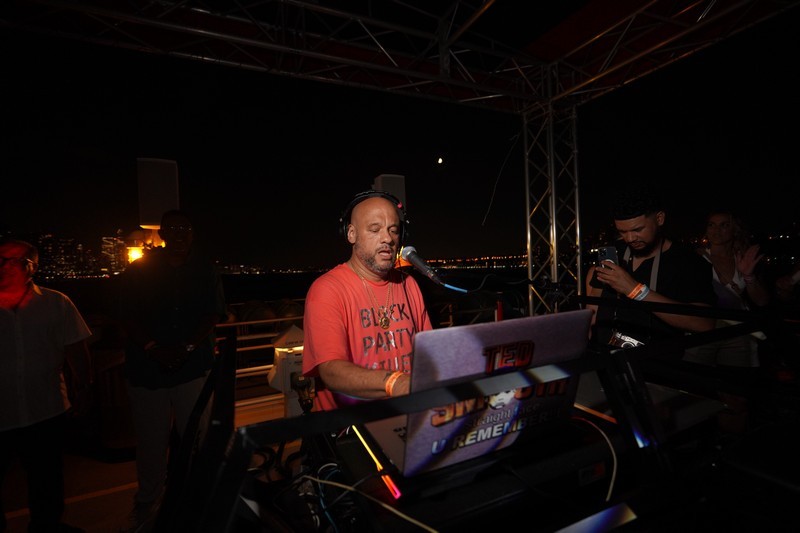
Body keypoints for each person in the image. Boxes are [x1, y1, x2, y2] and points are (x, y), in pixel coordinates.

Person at [117, 210, 227, 532]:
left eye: (185, 228)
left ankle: (198, 497)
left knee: (198, 437)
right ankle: (148, 503)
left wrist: (187, 347)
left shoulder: (205, 269)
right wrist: (153, 347)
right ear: (162, 234)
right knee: (151, 442)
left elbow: (213, 314)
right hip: (147, 370)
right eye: (173, 228)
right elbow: (126, 315)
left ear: (192, 234)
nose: (179, 234)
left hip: (192, 368)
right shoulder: (139, 270)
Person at [302, 190, 433, 411]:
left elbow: (429, 351)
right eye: (375, 229)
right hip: (348, 424)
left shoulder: (408, 284)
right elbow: (331, 371)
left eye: (394, 230)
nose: (387, 239)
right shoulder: (327, 290)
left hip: (407, 414)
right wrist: (395, 383)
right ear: (351, 234)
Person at [0, 239, 92, 533]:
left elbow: (76, 349)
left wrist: (83, 390)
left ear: (33, 267)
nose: (7, 267)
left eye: (16, 261)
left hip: (46, 407)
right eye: (2, 260)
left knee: (47, 479)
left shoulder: (56, 303)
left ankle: (46, 527)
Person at [585, 184, 717, 357]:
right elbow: (594, 299)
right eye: (622, 231)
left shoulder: (688, 262)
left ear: (660, 219)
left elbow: (704, 323)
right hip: (606, 358)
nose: (630, 238)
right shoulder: (614, 251)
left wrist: (635, 290)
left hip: (656, 363)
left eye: (637, 229)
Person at [683, 209, 770, 368]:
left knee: (735, 380)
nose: (716, 230)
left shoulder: (743, 259)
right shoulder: (695, 258)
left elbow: (762, 301)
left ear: (735, 230)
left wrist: (749, 276)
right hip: (703, 328)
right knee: (695, 378)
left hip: (738, 329)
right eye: (712, 225)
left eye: (724, 225)